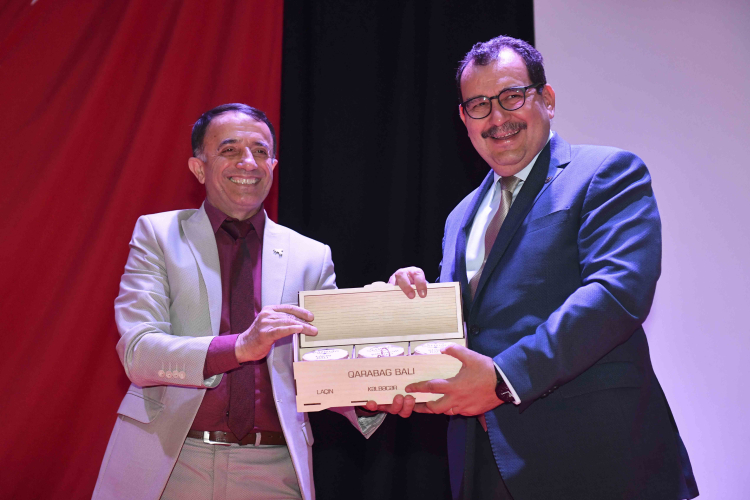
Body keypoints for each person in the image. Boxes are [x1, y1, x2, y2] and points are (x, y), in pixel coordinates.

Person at [377, 36, 699, 499]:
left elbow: (616, 294)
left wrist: (502, 379)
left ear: (546, 99)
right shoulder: (460, 216)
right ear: (464, 119)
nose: (497, 118)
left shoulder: (605, 172)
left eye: (511, 96)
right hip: (484, 464)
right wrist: (410, 317)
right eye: (479, 105)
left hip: (597, 461)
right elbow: (469, 330)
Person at [93, 103, 382, 500]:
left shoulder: (311, 256)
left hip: (273, 470)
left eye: (261, 151)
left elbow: (325, 366)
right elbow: (138, 353)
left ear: (273, 166)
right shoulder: (158, 235)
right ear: (199, 168)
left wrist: (376, 389)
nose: (248, 162)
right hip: (171, 461)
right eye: (230, 150)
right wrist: (241, 347)